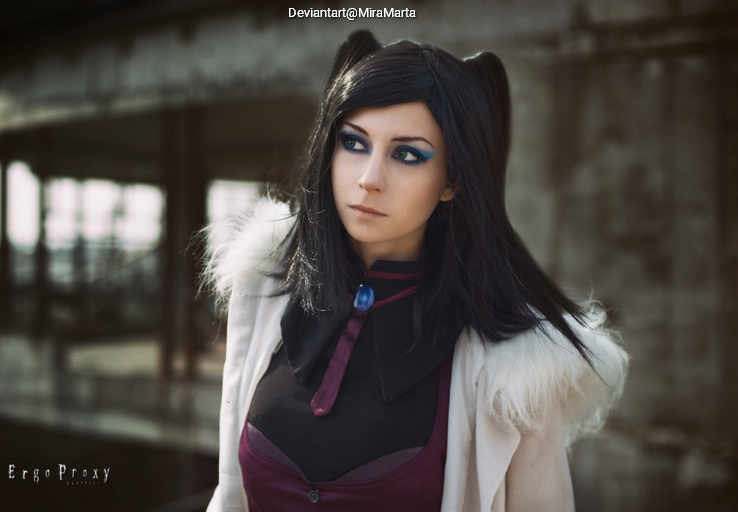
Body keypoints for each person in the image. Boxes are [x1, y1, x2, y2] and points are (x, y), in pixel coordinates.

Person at [203, 29, 628, 512]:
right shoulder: (264, 289)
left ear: (451, 181)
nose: (368, 179)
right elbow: (229, 492)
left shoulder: (515, 370)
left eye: (407, 154)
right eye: (353, 142)